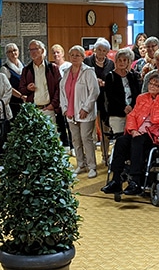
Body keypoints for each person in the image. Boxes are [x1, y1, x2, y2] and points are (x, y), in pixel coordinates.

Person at [101, 73, 159, 195]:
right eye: (150, 83)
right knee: (121, 141)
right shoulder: (141, 98)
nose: (152, 86)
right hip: (138, 132)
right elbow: (132, 116)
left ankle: (135, 181)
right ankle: (116, 181)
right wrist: (133, 130)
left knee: (138, 141)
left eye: (156, 85)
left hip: (155, 134)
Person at [59, 45, 100, 178]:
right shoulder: (66, 72)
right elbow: (62, 92)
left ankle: (92, 166)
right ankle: (80, 164)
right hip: (70, 112)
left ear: (83, 57)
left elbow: (94, 92)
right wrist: (64, 109)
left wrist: (86, 108)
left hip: (85, 112)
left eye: (78, 55)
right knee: (75, 139)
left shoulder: (88, 71)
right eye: (72, 55)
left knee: (86, 139)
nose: (75, 57)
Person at [84, 37, 115, 164]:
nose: (101, 53)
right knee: (89, 130)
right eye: (99, 50)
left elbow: (113, 81)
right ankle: (90, 159)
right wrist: (94, 81)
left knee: (105, 129)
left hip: (105, 100)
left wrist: (105, 83)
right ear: (95, 49)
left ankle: (105, 155)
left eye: (104, 50)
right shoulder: (87, 61)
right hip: (90, 98)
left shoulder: (110, 64)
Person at [19, 40, 62, 123]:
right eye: (30, 50)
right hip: (32, 110)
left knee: (50, 135)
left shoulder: (52, 68)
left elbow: (59, 88)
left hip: (48, 109)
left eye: (35, 49)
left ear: (42, 50)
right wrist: (28, 88)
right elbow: (21, 89)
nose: (32, 52)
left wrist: (53, 105)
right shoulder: (26, 69)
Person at [102, 48, 141, 134]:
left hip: (132, 113)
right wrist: (124, 107)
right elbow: (110, 96)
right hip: (116, 113)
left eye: (124, 60)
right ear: (115, 62)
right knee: (119, 139)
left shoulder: (133, 76)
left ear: (128, 62)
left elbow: (137, 94)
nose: (122, 62)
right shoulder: (110, 76)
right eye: (119, 60)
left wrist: (131, 106)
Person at [0, 43, 26, 118]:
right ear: (7, 54)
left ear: (18, 51)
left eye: (15, 50)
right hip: (13, 103)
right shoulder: (4, 69)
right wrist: (21, 96)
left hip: (25, 101)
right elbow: (7, 88)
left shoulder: (24, 66)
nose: (13, 53)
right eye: (10, 51)